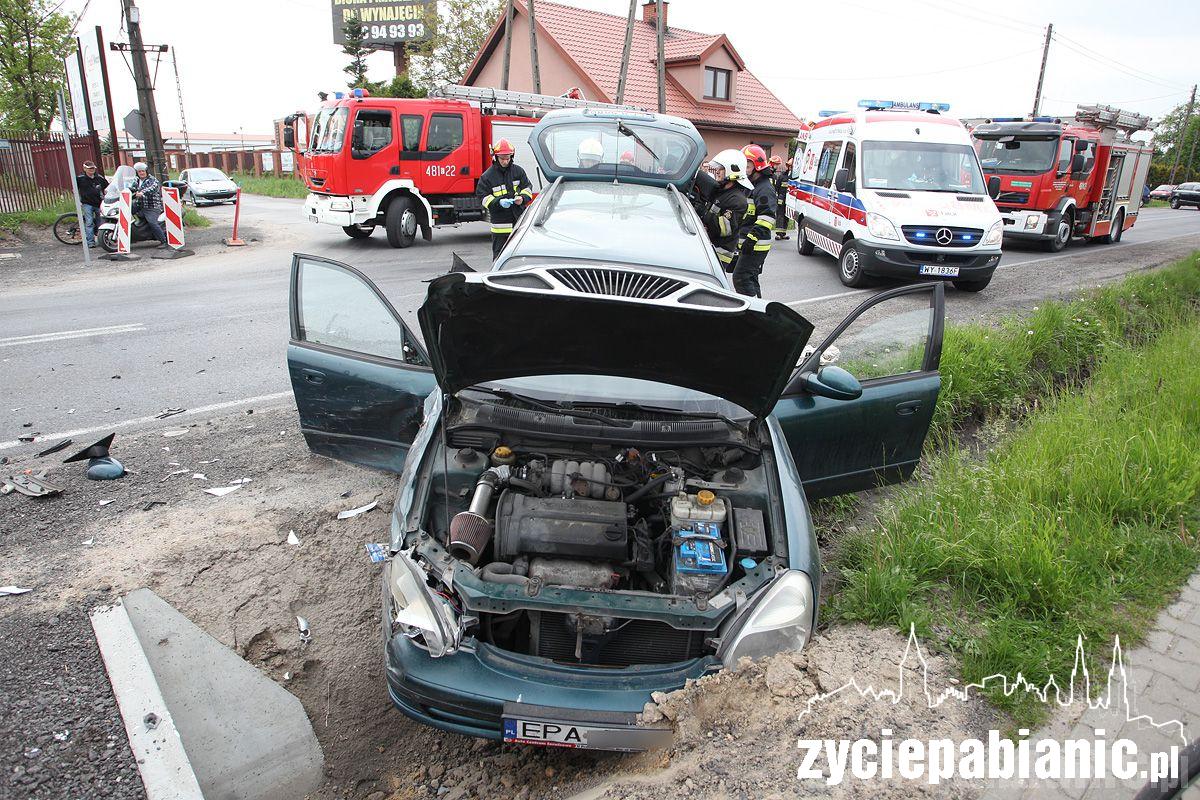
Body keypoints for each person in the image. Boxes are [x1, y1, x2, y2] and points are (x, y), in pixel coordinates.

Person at [477, 139, 533, 259]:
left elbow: (527, 188)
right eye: (502, 158)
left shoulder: (518, 171)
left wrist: (522, 198)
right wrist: (498, 202)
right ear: (496, 157)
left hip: (518, 219)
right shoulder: (487, 176)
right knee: (500, 255)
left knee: (520, 254)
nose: (505, 161)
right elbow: (482, 197)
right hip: (500, 224)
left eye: (508, 158)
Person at [733, 144, 777, 298]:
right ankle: (760, 311)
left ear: (757, 166)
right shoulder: (751, 185)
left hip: (756, 245)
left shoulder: (764, 188)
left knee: (741, 279)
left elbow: (767, 217)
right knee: (750, 279)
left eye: (747, 165)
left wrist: (751, 239)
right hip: (749, 244)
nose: (744, 168)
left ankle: (753, 312)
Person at [698, 149, 751, 272]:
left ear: (732, 170)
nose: (717, 171)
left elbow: (724, 228)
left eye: (721, 169)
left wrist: (703, 213)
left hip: (720, 253)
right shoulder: (721, 192)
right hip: (710, 247)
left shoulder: (737, 199)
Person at [131, 162, 168, 247]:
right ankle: (131, 236)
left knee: (153, 223)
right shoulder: (136, 180)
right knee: (124, 213)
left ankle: (163, 241)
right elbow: (131, 188)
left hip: (152, 206)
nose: (141, 173)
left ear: (146, 171)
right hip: (139, 205)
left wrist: (142, 192)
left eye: (143, 171)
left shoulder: (152, 180)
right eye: (139, 171)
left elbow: (152, 188)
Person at [75, 160, 108, 248]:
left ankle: (102, 241)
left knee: (101, 222)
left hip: (99, 203)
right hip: (86, 203)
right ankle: (90, 242)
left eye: (93, 168)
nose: (92, 170)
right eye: (89, 168)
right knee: (89, 222)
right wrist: (78, 201)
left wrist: (106, 194)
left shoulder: (99, 178)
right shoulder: (80, 178)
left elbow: (107, 187)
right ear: (85, 169)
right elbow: (74, 189)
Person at [769, 155, 791, 241]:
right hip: (781, 198)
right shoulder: (782, 176)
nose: (777, 166)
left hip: (790, 200)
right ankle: (778, 234)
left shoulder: (793, 177)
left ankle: (783, 233)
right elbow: (776, 187)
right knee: (780, 215)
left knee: (787, 216)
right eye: (776, 164)